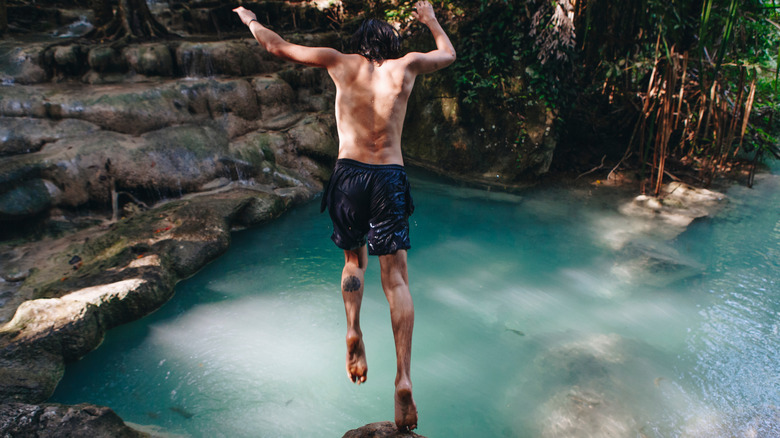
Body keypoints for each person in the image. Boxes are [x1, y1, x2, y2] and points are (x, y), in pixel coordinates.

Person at [234, 1, 455, 431]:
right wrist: (429, 18)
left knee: (354, 262)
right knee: (397, 280)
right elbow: (448, 54)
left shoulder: (339, 61)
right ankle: (404, 377)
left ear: (357, 43)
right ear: (391, 45)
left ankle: (353, 330)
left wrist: (250, 20)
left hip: (349, 174)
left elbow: (277, 48)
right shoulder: (406, 66)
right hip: (389, 175)